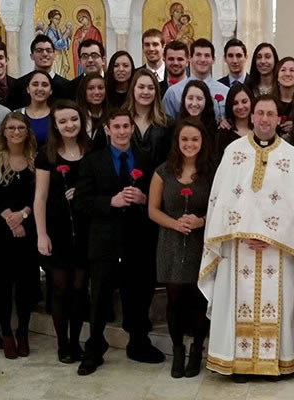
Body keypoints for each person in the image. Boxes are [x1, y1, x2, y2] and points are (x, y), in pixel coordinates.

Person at [199, 94, 294, 382]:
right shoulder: (234, 151)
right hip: (238, 247)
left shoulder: (292, 156)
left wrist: (270, 235)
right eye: (260, 113)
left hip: (278, 249)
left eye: (271, 114)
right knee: (237, 302)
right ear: (251, 116)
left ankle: (275, 363)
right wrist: (244, 231)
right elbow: (220, 199)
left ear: (279, 119)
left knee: (278, 305)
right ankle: (238, 363)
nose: (265, 119)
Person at [76, 110, 163, 376]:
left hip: (138, 241)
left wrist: (143, 198)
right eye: (117, 126)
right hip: (104, 241)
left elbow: (159, 199)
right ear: (108, 130)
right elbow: (81, 202)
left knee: (138, 294)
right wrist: (109, 202)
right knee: (100, 296)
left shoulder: (147, 160)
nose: (123, 131)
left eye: (127, 126)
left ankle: (138, 342)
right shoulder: (92, 162)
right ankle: (94, 348)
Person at [148, 118, 214, 378]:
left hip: (200, 241)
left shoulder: (211, 172)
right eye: (184, 139)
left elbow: (220, 209)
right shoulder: (163, 171)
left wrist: (200, 221)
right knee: (174, 298)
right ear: (177, 141)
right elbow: (152, 210)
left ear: (202, 142)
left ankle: (197, 349)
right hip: (171, 242)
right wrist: (175, 224)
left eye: (195, 139)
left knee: (199, 299)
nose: (189, 144)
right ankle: (177, 350)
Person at [34, 100, 92, 364]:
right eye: (63, 121)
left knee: (80, 289)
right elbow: (40, 197)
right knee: (59, 288)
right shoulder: (46, 155)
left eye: (74, 119)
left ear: (81, 121)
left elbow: (101, 187)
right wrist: (41, 234)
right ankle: (62, 343)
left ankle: (76, 341)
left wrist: (81, 193)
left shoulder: (92, 149)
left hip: (85, 230)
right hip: (56, 228)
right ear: (56, 125)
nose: (70, 125)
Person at [0, 112, 39, 359]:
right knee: (2, 285)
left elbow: (39, 194)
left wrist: (24, 215)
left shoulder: (35, 159)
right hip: (1, 232)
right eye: (11, 128)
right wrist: (11, 218)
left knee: (26, 286)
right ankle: (6, 332)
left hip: (29, 231)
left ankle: (22, 332)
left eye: (21, 127)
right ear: (4, 131)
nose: (16, 132)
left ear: (27, 131)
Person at [162, 38, 230, 120]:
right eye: (198, 55)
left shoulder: (226, 92)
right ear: (190, 58)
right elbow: (167, 127)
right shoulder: (173, 92)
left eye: (207, 55)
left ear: (213, 60)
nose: (202, 59)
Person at [7, 35, 70, 110]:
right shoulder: (19, 84)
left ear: (54, 55)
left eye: (48, 50)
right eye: (39, 50)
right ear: (32, 56)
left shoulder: (67, 86)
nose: (44, 54)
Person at [123, 69, 172, 165]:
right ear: (133, 89)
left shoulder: (167, 123)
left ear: (156, 91)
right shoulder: (121, 120)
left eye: (150, 88)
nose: (146, 92)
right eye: (141, 87)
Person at [176, 80, 219, 157]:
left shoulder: (215, 130)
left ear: (206, 101)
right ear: (184, 100)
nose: (194, 104)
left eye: (199, 99)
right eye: (190, 98)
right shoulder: (176, 127)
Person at [215, 83, 254, 158]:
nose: (240, 107)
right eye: (235, 103)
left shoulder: (260, 130)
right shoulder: (224, 134)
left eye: (244, 101)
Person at [16, 71, 53, 146]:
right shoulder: (17, 114)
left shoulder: (56, 115)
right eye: (35, 84)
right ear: (28, 89)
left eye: (44, 85)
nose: (39, 88)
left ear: (51, 91)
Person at [75, 72, 108, 149]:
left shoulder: (112, 116)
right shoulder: (77, 117)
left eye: (100, 88)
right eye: (91, 88)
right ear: (83, 91)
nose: (97, 92)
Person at [274, 57, 294, 134]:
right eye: (283, 70)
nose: (287, 74)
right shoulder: (269, 102)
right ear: (277, 77)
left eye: (292, 70)